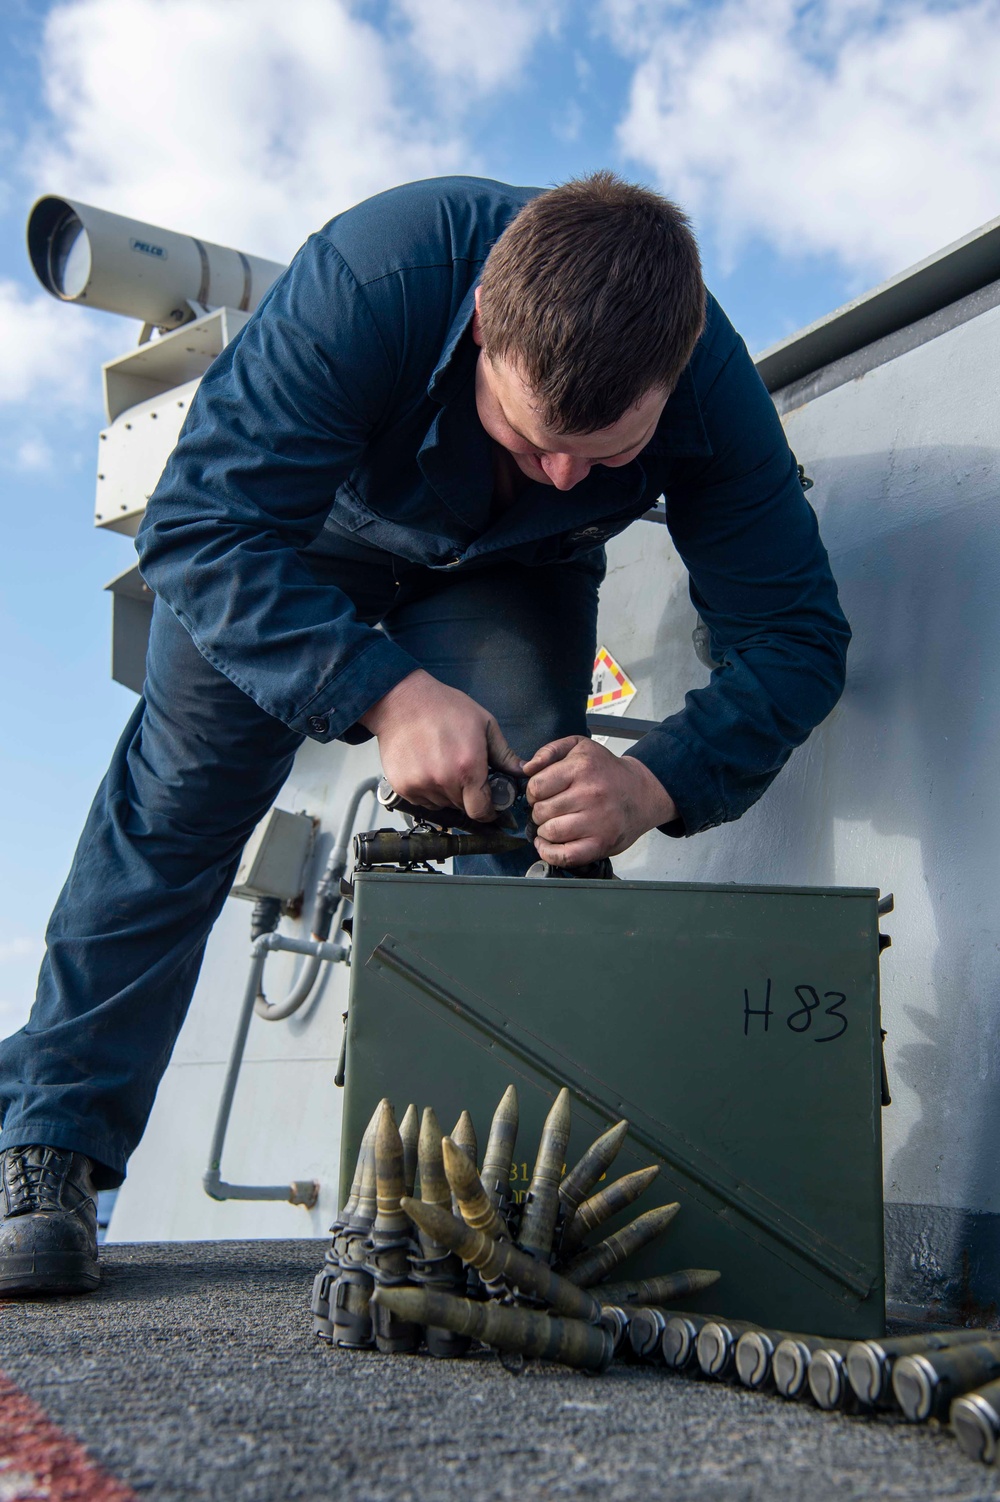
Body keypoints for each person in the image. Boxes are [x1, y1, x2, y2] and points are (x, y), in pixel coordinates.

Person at [0, 173, 850, 1296]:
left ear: (675, 371)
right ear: (490, 317)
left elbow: (794, 635)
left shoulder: (709, 387)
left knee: (522, 832)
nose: (560, 474)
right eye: (536, 434)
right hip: (290, 542)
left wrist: (657, 781)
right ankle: (48, 1148)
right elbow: (202, 524)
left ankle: (487, 1205)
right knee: (173, 816)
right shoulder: (377, 276)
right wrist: (387, 693)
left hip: (510, 572)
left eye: (603, 457)